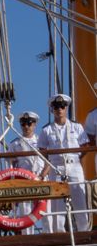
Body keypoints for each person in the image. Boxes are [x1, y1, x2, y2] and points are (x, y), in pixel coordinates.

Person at [42, 94, 87, 234]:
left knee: (80, 200)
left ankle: (84, 232)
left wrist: (75, 158)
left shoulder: (77, 127)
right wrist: (52, 162)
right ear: (52, 109)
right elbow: (42, 151)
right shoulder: (46, 130)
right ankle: (59, 234)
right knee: (57, 205)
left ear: (66, 108)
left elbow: (85, 147)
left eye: (62, 106)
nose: (59, 109)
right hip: (56, 167)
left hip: (74, 165)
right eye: (56, 107)